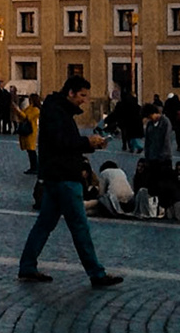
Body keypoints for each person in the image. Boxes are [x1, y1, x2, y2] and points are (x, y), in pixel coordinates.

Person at [18, 75, 123, 287]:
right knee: (79, 226)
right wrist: (87, 142)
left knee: (44, 224)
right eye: (82, 95)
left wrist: (89, 145)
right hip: (65, 177)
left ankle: (28, 266)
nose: (84, 100)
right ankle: (96, 273)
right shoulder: (58, 112)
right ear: (71, 93)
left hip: (54, 177)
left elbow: (63, 143)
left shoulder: (55, 109)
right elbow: (62, 142)